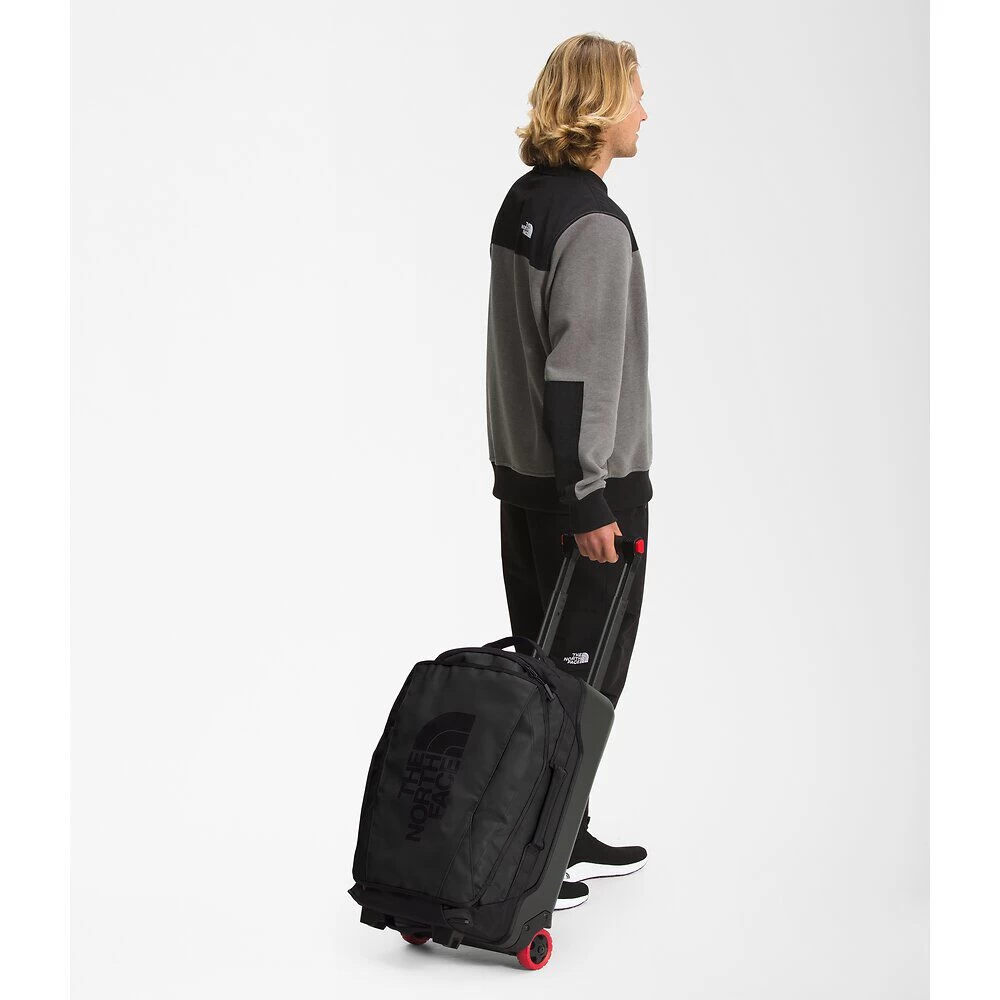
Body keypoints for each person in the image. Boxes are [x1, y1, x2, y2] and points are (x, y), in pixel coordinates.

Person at [485, 33, 652, 910]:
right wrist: (590, 495)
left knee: (542, 671)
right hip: (586, 498)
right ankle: (535, 860)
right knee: (582, 684)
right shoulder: (592, 223)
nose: (645, 113)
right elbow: (576, 373)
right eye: (635, 94)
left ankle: (557, 831)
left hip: (525, 483)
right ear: (600, 105)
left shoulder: (525, 204)